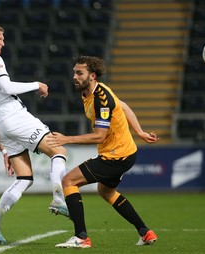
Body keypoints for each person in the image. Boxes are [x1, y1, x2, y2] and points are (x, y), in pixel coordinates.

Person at [47, 56, 159, 249]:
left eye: (79, 73)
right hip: (124, 153)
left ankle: (81, 237)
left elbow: (99, 136)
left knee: (68, 181)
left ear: (92, 76)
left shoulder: (101, 98)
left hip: (116, 156)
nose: (74, 76)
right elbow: (123, 106)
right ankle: (146, 233)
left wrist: (67, 139)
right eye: (74, 72)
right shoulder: (94, 91)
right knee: (106, 192)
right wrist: (139, 132)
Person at [0, 23, 69, 243]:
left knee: (24, 177)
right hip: (14, 116)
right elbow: (6, 87)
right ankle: (58, 198)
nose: (3, 43)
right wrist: (37, 84)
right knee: (58, 150)